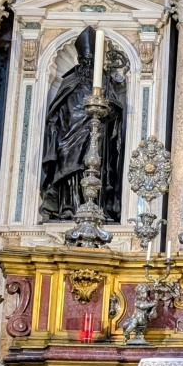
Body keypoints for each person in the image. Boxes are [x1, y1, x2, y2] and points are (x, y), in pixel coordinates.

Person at [40, 26, 127, 222]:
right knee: (69, 168)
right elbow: (56, 109)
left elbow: (115, 108)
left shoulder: (104, 79)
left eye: (91, 60)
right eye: (85, 60)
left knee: (96, 164)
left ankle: (97, 205)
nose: (88, 63)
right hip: (69, 131)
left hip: (96, 131)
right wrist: (55, 127)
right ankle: (68, 207)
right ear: (80, 59)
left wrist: (107, 110)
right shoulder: (69, 80)